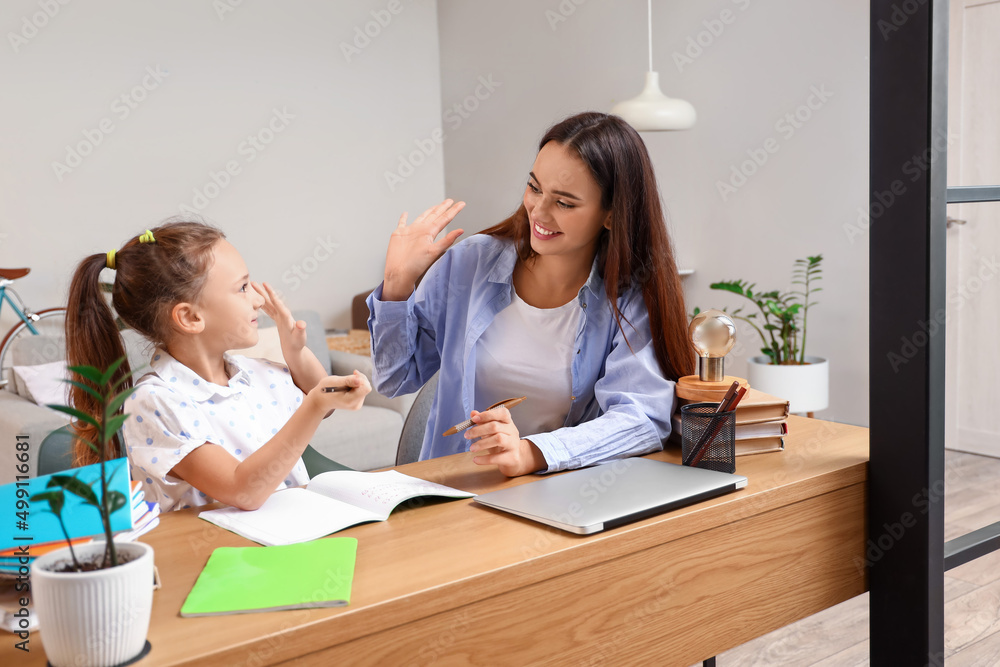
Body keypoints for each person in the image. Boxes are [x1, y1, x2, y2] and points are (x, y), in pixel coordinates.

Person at [367, 111, 694, 477]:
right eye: (535, 187)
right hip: (452, 494)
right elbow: (395, 378)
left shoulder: (628, 298)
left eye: (564, 202)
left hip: (562, 502)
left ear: (611, 214)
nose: (538, 211)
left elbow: (642, 418)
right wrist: (396, 284)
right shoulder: (470, 263)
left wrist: (530, 453)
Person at [65, 221, 371, 512]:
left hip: (290, 538)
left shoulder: (254, 375)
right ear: (190, 318)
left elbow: (324, 401)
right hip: (212, 555)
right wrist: (316, 404)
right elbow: (242, 490)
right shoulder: (155, 402)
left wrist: (296, 352)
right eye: (241, 288)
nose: (256, 299)